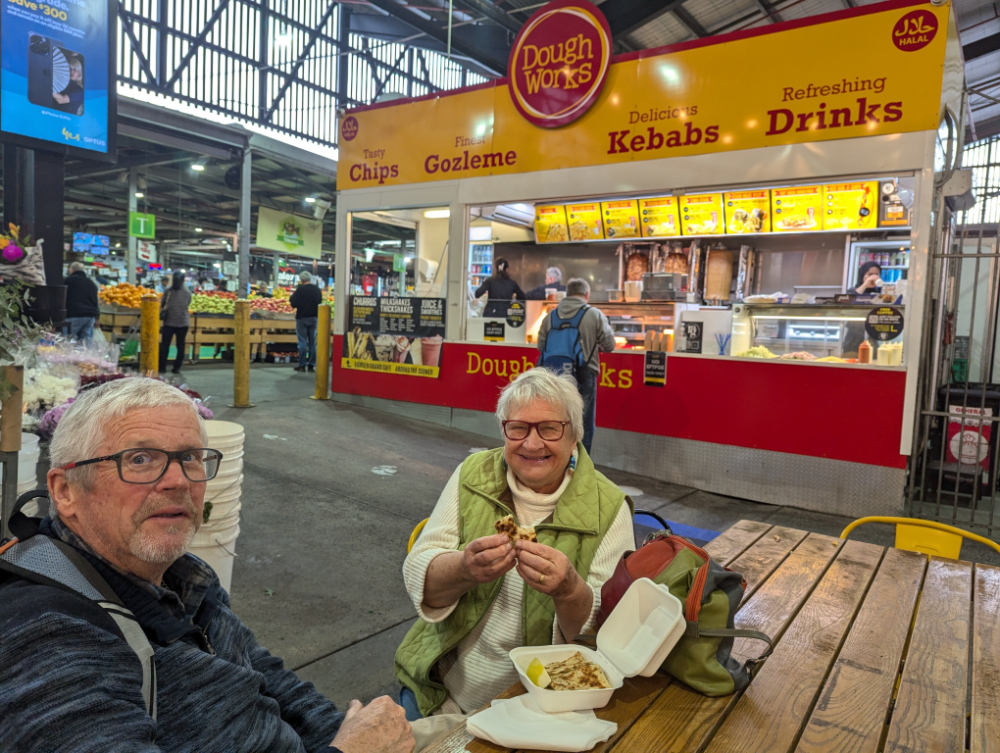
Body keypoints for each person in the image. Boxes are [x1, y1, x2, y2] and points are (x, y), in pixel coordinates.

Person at [0, 378, 415, 753]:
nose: (178, 480)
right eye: (140, 458)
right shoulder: (44, 634)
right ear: (65, 491)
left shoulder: (184, 576)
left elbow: (268, 679)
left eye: (191, 457)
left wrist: (350, 732)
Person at [395, 367, 634, 720]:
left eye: (550, 428)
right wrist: (464, 568)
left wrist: (570, 591)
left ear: (574, 439)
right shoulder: (472, 473)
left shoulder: (609, 507)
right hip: (439, 688)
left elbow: (609, 637)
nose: (532, 443)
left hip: (541, 707)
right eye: (518, 427)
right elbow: (419, 575)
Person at [537, 278, 616, 454]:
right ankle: (580, 465)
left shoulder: (551, 315)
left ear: (567, 294)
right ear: (586, 295)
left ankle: (556, 460)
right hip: (583, 374)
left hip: (553, 374)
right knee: (583, 423)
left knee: (556, 420)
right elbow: (610, 345)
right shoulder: (594, 314)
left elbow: (540, 345)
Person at [159, 270, 193, 374]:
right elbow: (187, 304)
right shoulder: (187, 293)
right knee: (180, 345)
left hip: (169, 322)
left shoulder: (167, 292)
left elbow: (162, 304)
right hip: (183, 322)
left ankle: (162, 367)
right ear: (183, 280)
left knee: (165, 345)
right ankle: (176, 368)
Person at [290, 270, 323, 372]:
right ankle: (312, 365)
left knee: (302, 342)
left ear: (302, 279)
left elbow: (293, 303)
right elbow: (320, 302)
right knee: (313, 342)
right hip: (314, 318)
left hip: (302, 318)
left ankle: (301, 364)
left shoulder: (300, 290)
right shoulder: (317, 290)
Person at [64, 261, 99, 342]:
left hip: (73, 315)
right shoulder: (91, 283)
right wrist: (97, 317)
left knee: (67, 343)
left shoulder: (68, 281)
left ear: (72, 269)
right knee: (84, 344)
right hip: (89, 317)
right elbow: (95, 301)